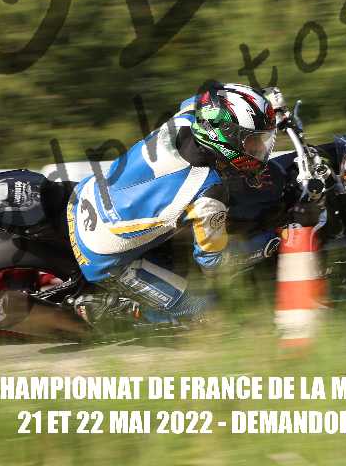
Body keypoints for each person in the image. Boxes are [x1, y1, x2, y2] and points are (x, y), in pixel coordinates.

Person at [66, 82, 284, 326]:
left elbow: (204, 99)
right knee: (211, 313)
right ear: (227, 136)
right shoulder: (208, 192)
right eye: (253, 142)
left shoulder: (188, 117)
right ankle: (123, 311)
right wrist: (269, 243)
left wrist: (260, 102)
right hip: (101, 255)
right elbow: (212, 263)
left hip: (83, 194)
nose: (260, 149)